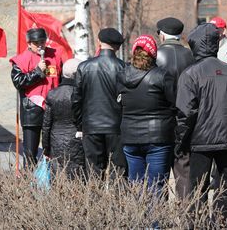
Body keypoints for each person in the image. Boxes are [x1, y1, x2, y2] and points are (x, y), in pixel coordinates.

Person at [175, 22, 227, 227]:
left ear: (196, 45)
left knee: (198, 187)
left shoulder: (190, 74)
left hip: (200, 141)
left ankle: (198, 225)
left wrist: (180, 141)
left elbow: (185, 113)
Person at [117, 35, 176, 196]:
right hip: (158, 137)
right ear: (153, 54)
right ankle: (154, 222)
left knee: (135, 184)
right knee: (156, 185)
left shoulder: (122, 76)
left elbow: (118, 104)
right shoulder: (163, 76)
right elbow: (174, 105)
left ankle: (138, 221)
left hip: (130, 137)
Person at [72, 27, 126, 178]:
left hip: (91, 126)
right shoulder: (123, 67)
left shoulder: (84, 67)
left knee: (94, 172)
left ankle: (96, 201)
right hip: (116, 127)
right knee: (118, 173)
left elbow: (76, 100)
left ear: (99, 42)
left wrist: (80, 125)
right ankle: (120, 202)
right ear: (117, 46)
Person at [10, 28, 62, 166]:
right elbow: (19, 82)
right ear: (29, 43)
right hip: (31, 111)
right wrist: (38, 71)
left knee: (53, 151)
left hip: (52, 109)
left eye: (42, 41)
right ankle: (29, 181)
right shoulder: (20, 60)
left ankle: (53, 181)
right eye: (36, 42)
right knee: (30, 154)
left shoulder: (55, 56)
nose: (40, 45)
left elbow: (61, 79)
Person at [155, 16, 194, 199]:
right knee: (183, 170)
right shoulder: (191, 55)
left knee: (158, 170)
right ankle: (187, 217)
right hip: (186, 117)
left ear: (161, 36)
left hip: (161, 118)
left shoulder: (155, 55)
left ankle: (160, 220)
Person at [42, 58, 85, 179]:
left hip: (56, 142)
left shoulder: (52, 94)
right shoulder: (82, 94)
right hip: (77, 141)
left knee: (58, 179)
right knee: (78, 178)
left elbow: (46, 125)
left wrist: (46, 148)